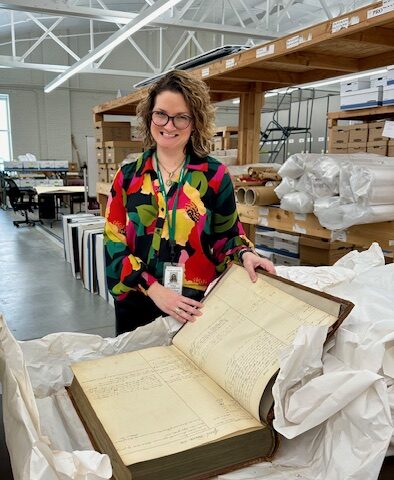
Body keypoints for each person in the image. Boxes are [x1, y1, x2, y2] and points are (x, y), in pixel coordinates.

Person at [104, 69, 275, 335]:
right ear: (150, 116)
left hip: (195, 307)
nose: (169, 126)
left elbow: (227, 236)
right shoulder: (127, 177)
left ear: (195, 122)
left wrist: (245, 254)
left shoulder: (214, 176)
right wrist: (153, 288)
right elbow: (113, 243)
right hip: (138, 301)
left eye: (181, 118)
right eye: (161, 114)